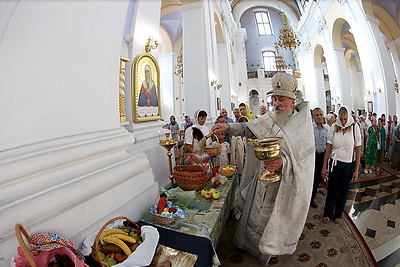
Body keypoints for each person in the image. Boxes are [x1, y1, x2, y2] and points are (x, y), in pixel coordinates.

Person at [212, 73, 315, 265]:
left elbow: (305, 161)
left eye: (281, 99)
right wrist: (228, 127)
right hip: (262, 178)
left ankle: (267, 252)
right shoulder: (269, 118)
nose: (276, 103)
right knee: (256, 213)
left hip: (283, 185)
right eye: (274, 99)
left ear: (292, 101)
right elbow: (249, 129)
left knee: (271, 218)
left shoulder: (303, 126)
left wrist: (283, 163)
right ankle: (250, 245)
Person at [321, 106, 361, 224]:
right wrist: (324, 167)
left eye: (345, 119)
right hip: (335, 162)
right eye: (341, 119)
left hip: (348, 164)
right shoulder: (334, 127)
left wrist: (356, 169)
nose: (343, 122)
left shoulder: (355, 128)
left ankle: (338, 214)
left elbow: (358, 150)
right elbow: (328, 148)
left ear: (348, 117)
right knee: (332, 189)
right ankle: (327, 213)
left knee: (344, 190)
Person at [310, 107, 329, 209]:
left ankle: (312, 198)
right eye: (317, 115)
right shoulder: (310, 129)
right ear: (313, 116)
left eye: (321, 114)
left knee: (318, 179)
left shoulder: (326, 129)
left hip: (323, 157)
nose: (319, 117)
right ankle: (309, 198)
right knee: (311, 180)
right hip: (313, 157)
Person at [184, 109, 213, 175]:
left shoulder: (206, 129)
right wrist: (195, 151)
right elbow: (187, 145)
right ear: (196, 118)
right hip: (196, 157)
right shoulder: (190, 130)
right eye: (202, 118)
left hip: (206, 156)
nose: (204, 120)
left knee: (207, 175)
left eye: (205, 118)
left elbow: (209, 143)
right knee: (198, 176)